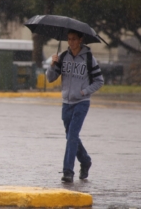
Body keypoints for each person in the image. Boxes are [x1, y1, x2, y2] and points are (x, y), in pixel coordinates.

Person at [46, 29, 104, 183]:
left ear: (80, 40)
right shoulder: (63, 57)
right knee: (71, 136)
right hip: (66, 103)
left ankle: (68, 171)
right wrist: (52, 65)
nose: (71, 42)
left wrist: (84, 92)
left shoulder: (89, 58)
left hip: (81, 103)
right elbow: (50, 79)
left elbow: (99, 81)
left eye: (74, 39)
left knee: (72, 136)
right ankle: (85, 161)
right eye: (69, 39)